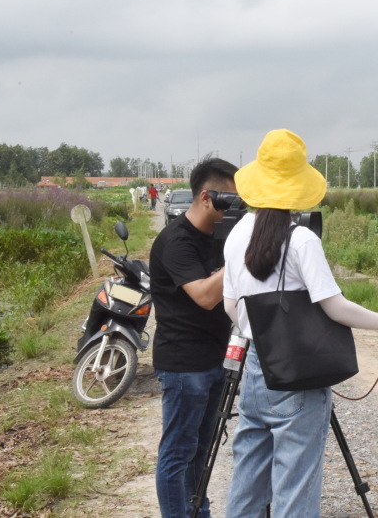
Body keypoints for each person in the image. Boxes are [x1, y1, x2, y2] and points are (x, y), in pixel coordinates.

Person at [222, 129, 378, 517]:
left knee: (247, 484)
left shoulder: (236, 234)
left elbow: (231, 305)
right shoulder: (301, 240)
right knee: (295, 490)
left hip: (255, 369)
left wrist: (262, 336)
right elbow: (335, 308)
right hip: (298, 378)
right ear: (299, 185)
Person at [149, 157, 239, 518]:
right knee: (178, 453)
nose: (235, 208)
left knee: (202, 449)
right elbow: (205, 295)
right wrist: (240, 257)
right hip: (183, 364)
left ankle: (198, 511)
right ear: (206, 197)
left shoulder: (221, 237)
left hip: (216, 358)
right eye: (229, 199)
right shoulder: (176, 240)